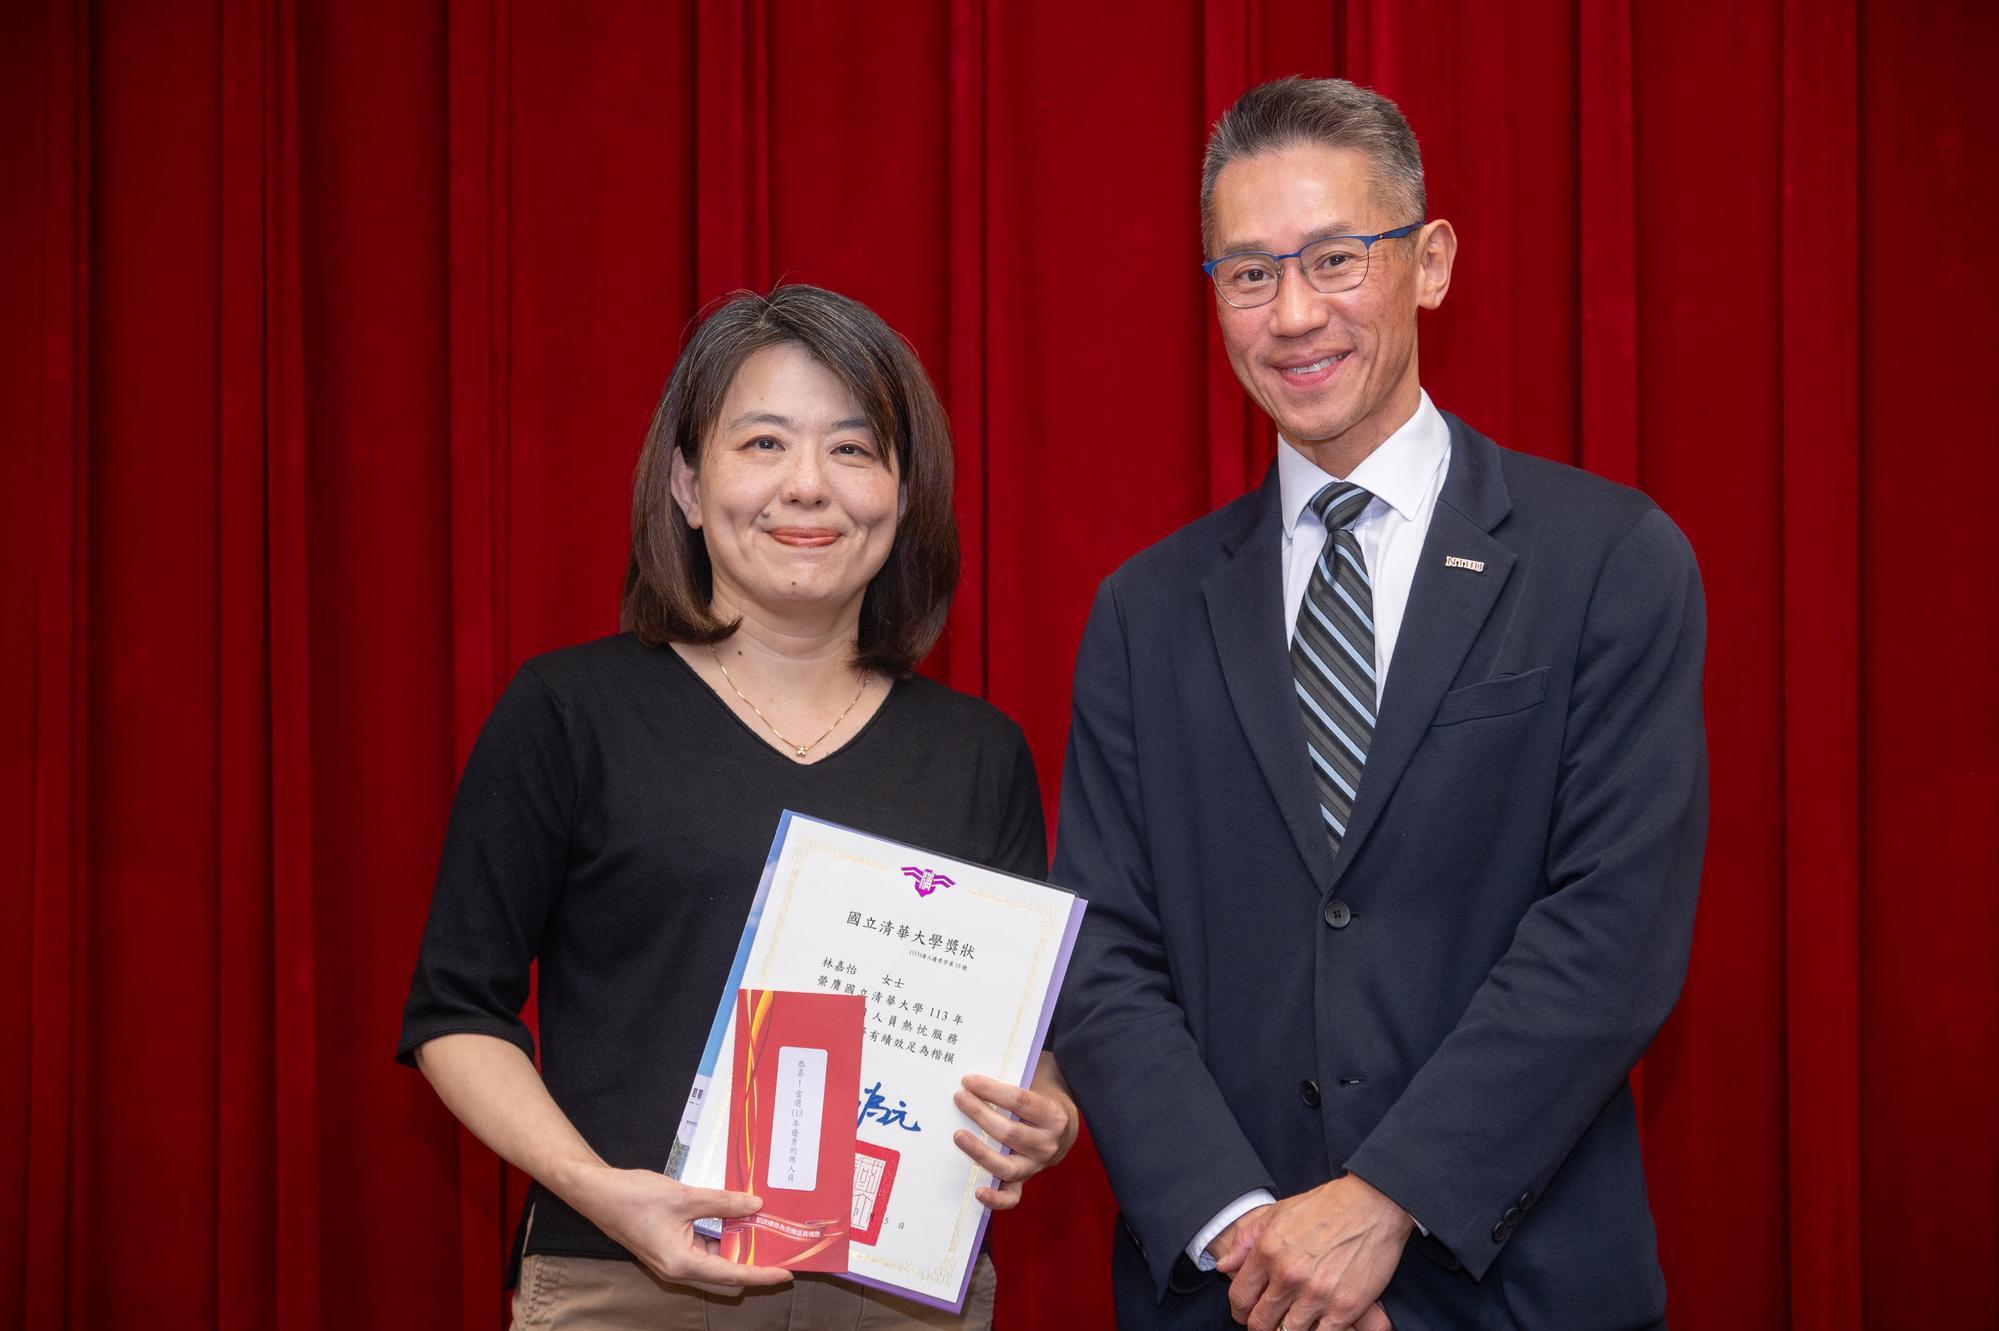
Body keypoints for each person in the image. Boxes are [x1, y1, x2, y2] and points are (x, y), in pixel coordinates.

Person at [1049, 77, 1706, 1331]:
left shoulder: (1607, 560)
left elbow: (1611, 932)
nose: (1294, 315)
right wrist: (1249, 1235)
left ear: (1431, 260)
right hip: (1225, 1296)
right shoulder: (1144, 610)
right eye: (1247, 274)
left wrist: (1382, 1200)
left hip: (1515, 1286)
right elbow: (1103, 956)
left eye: (1336, 259)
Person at [399, 285, 1077, 1330]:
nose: (808, 486)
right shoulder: (570, 711)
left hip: (894, 1297)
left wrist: (1045, 1112)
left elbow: (1019, 1038)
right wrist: (598, 1188)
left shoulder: (977, 753)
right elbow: (455, 1015)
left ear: (903, 494)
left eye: (853, 450)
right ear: (685, 480)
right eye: (763, 441)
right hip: (627, 1281)